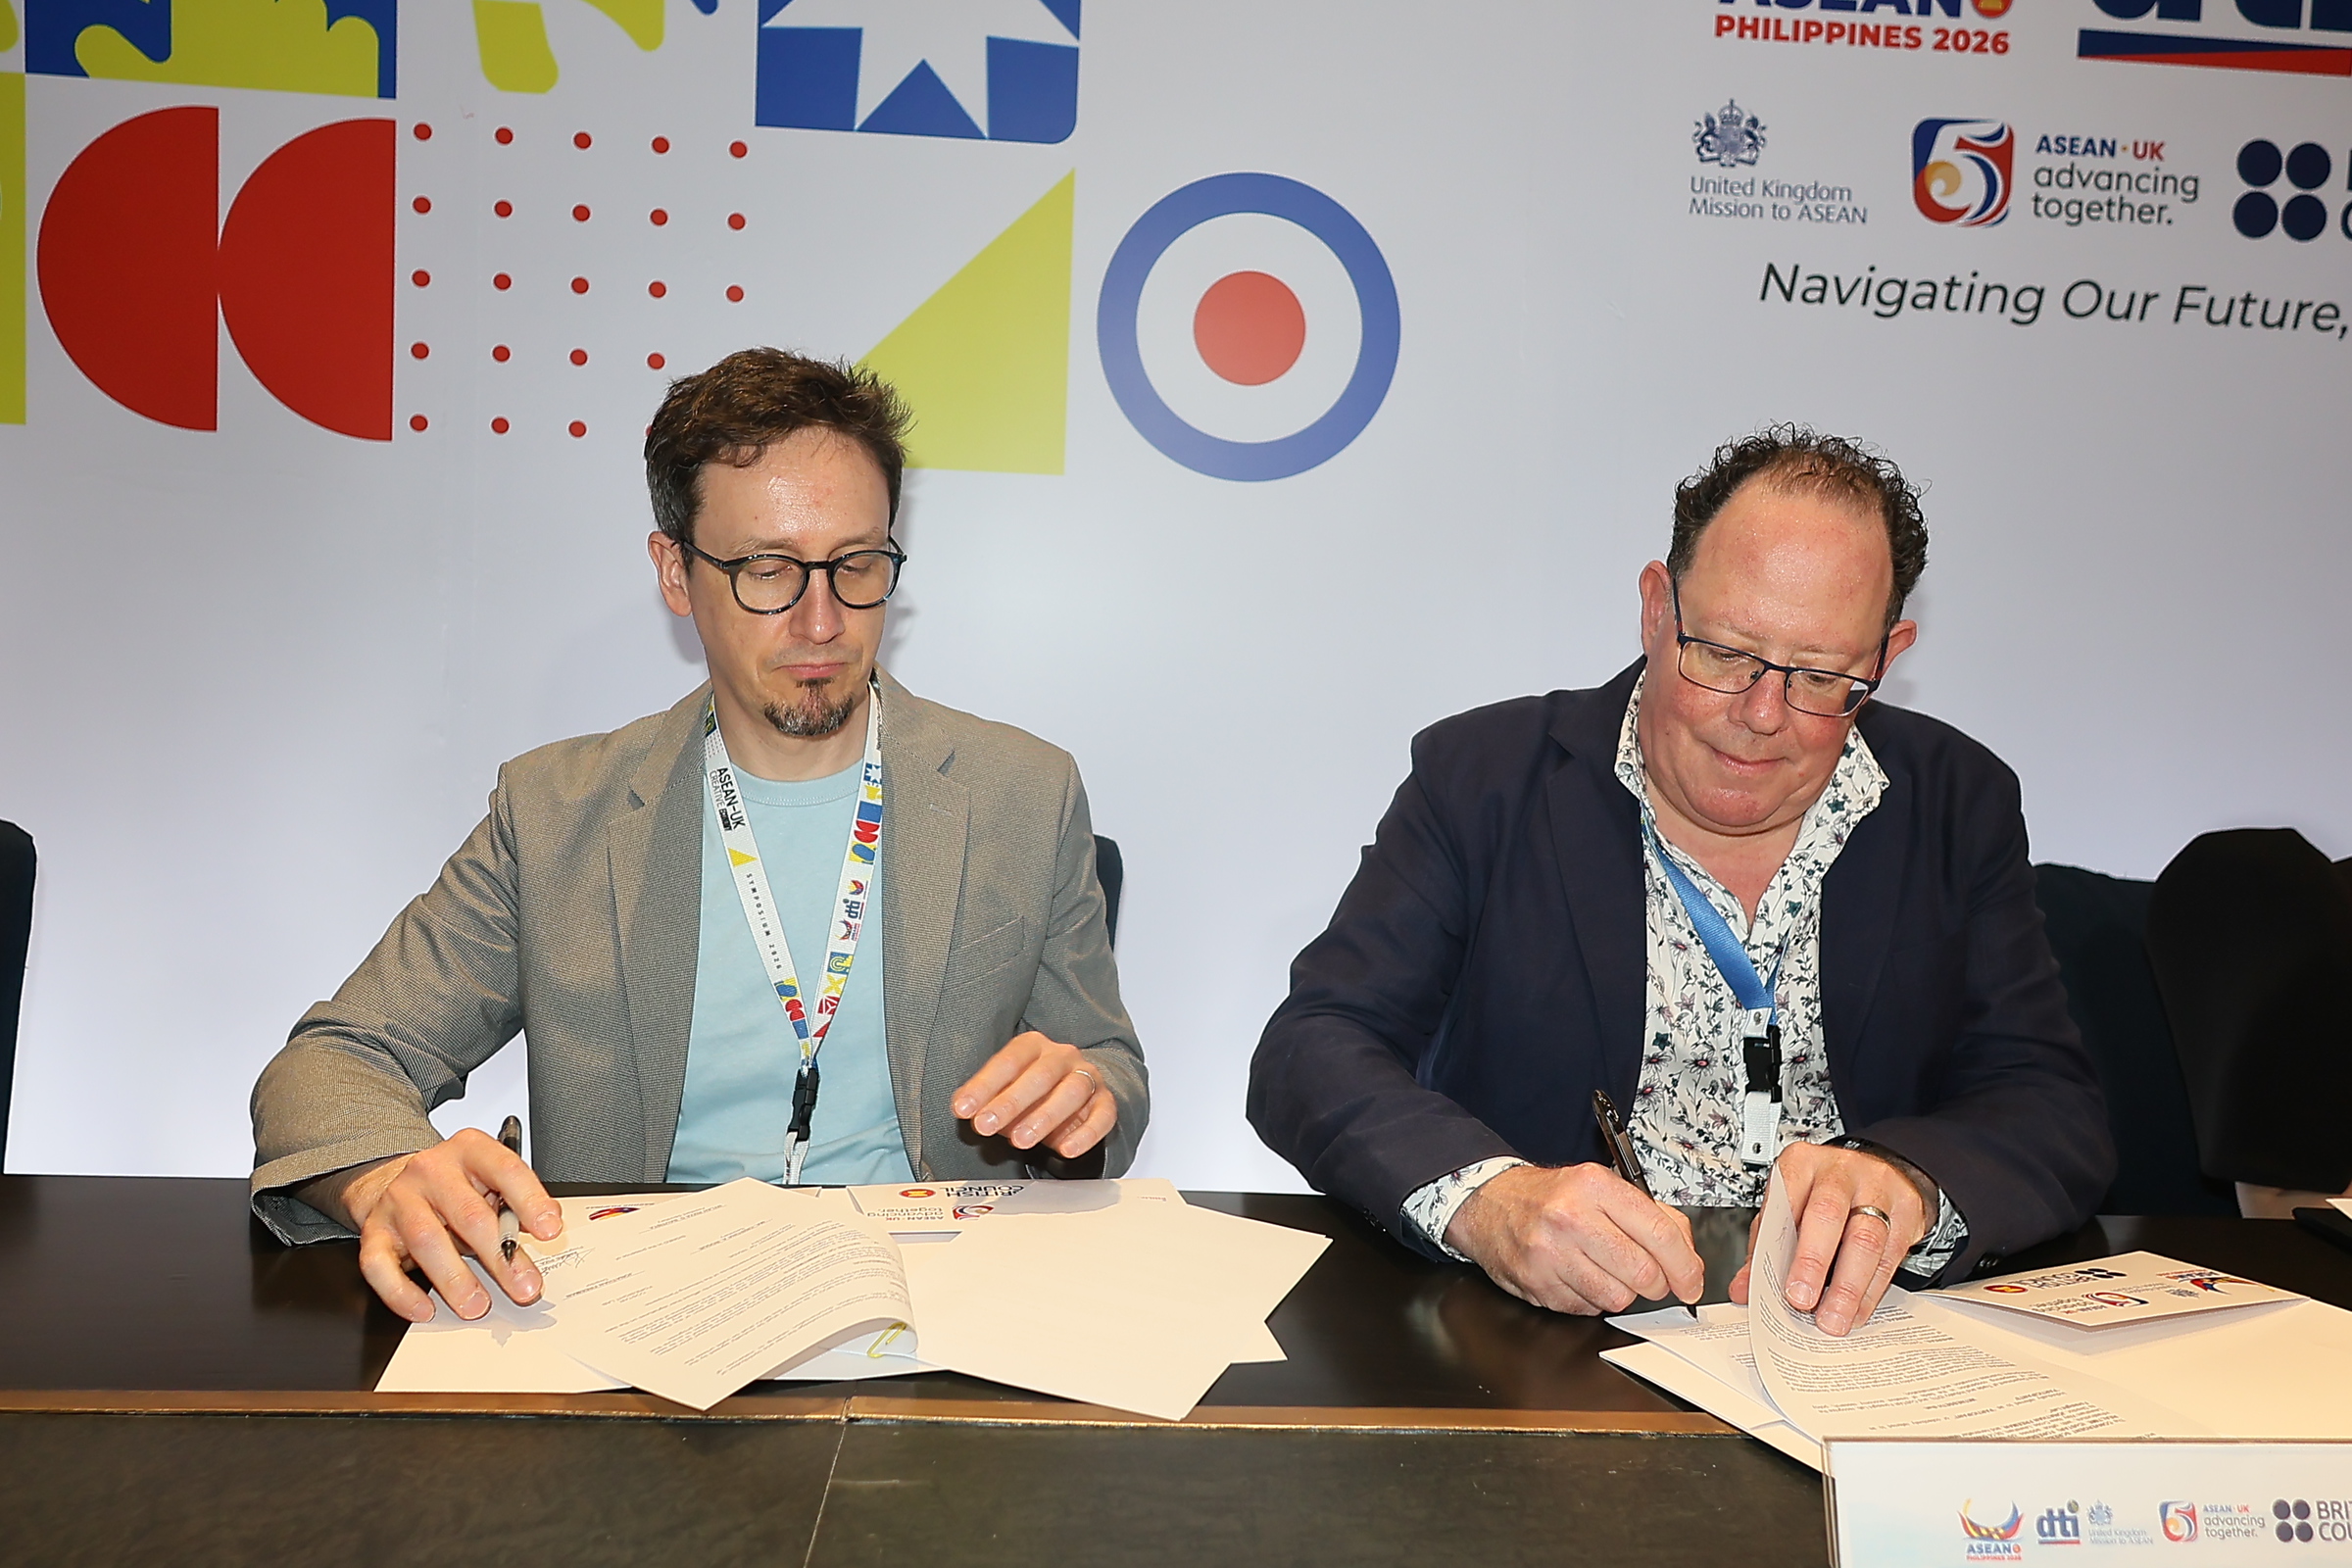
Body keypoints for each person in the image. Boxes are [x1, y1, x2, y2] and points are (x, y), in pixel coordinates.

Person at [251, 348, 1148, 1324]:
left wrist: (1085, 1099)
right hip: (636, 1319)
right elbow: (330, 1065)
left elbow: (1107, 1063)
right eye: (768, 570)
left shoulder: (1023, 794)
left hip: (940, 1308)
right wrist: (389, 1177)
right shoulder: (556, 815)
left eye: (856, 565)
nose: (821, 621)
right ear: (676, 573)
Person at [1248, 427, 2113, 1337]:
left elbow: (2051, 1105)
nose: (1763, 714)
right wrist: (1491, 1201)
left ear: (1885, 658)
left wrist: (1911, 1184)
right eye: (1728, 653)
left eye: (1823, 675)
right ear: (1657, 609)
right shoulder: (1486, 779)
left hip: (1859, 1336)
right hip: (1547, 1336)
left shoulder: (1956, 800)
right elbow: (1315, 1047)